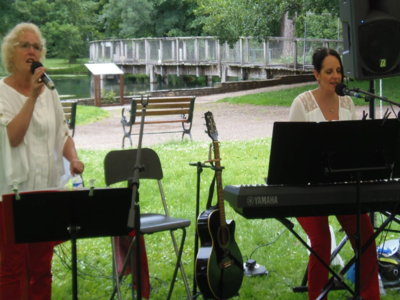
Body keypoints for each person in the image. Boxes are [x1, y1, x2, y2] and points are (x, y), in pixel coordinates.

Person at [0, 22, 85, 300]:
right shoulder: (2, 93)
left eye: (36, 46)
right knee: (10, 269)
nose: (32, 50)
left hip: (46, 190)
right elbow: (13, 136)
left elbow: (62, 134)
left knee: (42, 268)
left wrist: (73, 158)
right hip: (12, 193)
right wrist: (33, 97)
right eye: (25, 45)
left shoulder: (50, 91)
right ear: (10, 54)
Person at [289, 47, 380, 300]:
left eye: (338, 71)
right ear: (316, 75)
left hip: (343, 188)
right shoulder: (302, 104)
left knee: (367, 241)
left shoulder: (347, 102)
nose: (335, 76)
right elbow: (293, 158)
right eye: (329, 71)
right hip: (306, 190)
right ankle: (318, 296)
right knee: (321, 242)